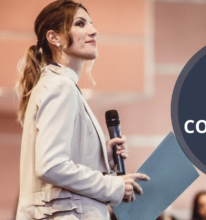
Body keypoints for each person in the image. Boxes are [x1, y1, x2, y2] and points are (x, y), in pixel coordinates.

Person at [15, 0, 149, 219]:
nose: (93, 30)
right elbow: (51, 166)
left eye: (91, 24)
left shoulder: (59, 84)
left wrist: (101, 156)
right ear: (54, 37)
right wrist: (112, 186)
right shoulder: (60, 86)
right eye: (80, 24)